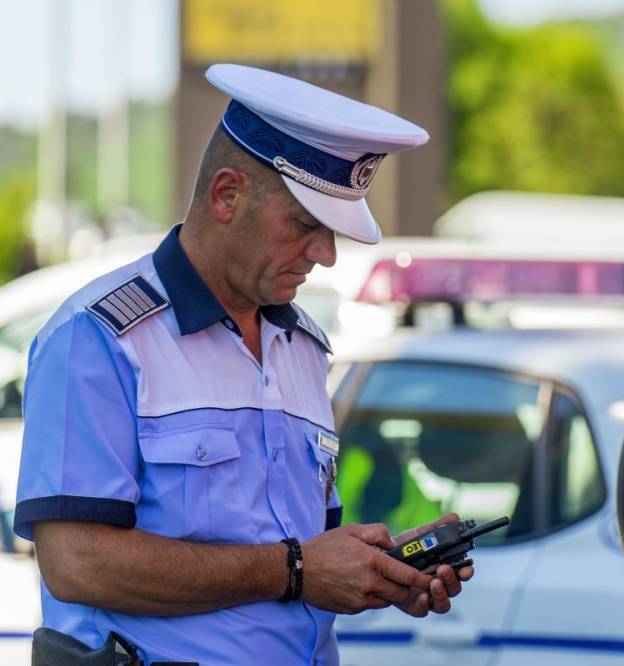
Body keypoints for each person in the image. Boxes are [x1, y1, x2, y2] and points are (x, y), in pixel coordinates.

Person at [14, 64, 471, 665]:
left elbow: (308, 550)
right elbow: (77, 564)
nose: (326, 255)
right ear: (226, 196)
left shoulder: (303, 345)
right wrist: (296, 570)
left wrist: (376, 575)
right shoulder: (99, 338)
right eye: (307, 225)